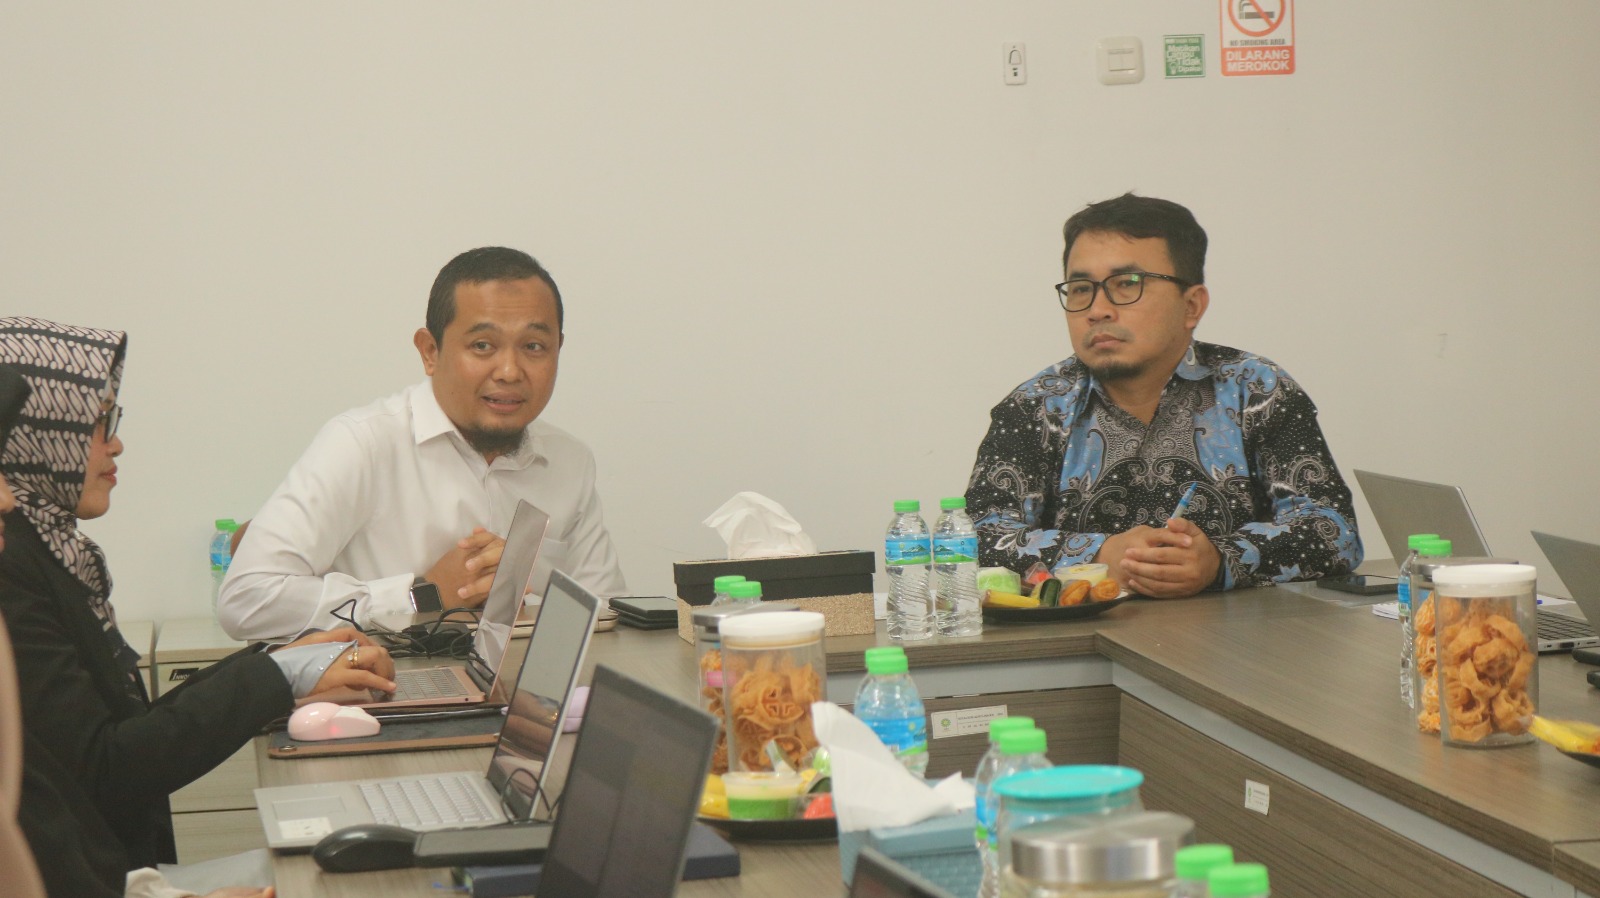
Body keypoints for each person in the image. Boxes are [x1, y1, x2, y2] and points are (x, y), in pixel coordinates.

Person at [0, 322, 397, 898]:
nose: (115, 445)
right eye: (97, 423)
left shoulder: (49, 550)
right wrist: (278, 675)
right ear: (36, 432)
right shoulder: (12, 567)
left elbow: (117, 735)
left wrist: (280, 664)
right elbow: (110, 768)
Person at [217, 247, 628, 641]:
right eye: (482, 346)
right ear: (430, 352)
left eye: (534, 347)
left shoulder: (569, 461)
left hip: (520, 687)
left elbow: (607, 612)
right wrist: (422, 595)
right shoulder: (363, 444)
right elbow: (245, 599)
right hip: (382, 683)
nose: (509, 371)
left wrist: (526, 580)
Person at [963, 194, 1361, 598]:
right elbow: (973, 539)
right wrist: (1097, 555)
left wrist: (1221, 560)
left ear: (1191, 306)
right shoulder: (1036, 406)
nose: (1097, 310)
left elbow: (1334, 530)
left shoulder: (1256, 389)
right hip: (1080, 633)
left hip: (1234, 632)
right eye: (1081, 289)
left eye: (1126, 284)